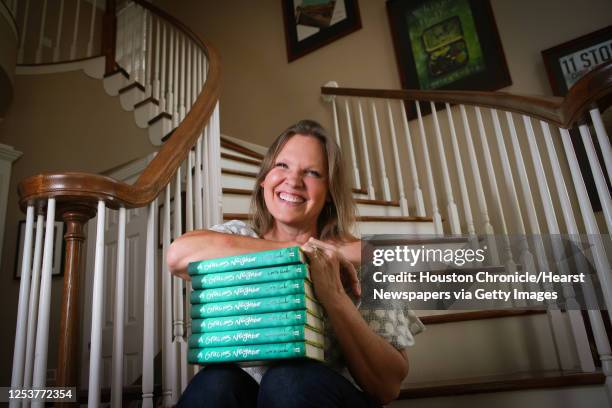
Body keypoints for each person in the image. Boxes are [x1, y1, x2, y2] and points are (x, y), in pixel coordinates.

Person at [167, 120, 424, 408]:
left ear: (329, 193)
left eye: (312, 173)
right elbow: (178, 256)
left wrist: (335, 298)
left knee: (287, 378)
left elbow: (387, 387)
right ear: (264, 179)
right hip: (243, 398)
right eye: (282, 166)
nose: (293, 180)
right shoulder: (238, 238)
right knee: (216, 381)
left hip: (321, 396)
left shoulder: (366, 263)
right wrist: (299, 252)